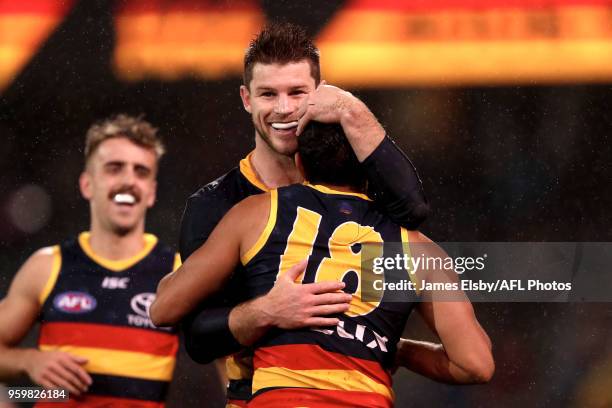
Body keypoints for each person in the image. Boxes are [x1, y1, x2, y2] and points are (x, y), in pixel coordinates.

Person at [152, 121, 494, 407]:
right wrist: (398, 350)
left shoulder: (256, 213)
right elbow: (476, 364)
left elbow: (163, 309)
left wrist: (262, 310)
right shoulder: (415, 248)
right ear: (372, 170)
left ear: (300, 163)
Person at [179, 22, 431, 405]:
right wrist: (268, 312)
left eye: (297, 93)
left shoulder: (356, 188)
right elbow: (197, 338)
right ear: (246, 99)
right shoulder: (215, 204)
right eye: (268, 94)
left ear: (320, 94)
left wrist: (351, 107)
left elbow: (413, 208)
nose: (283, 109)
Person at [0, 115, 180, 407]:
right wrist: (29, 361)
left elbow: (228, 363)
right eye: (114, 168)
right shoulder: (47, 266)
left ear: (152, 192)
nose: (128, 181)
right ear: (87, 184)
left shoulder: (177, 274)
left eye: (141, 172)